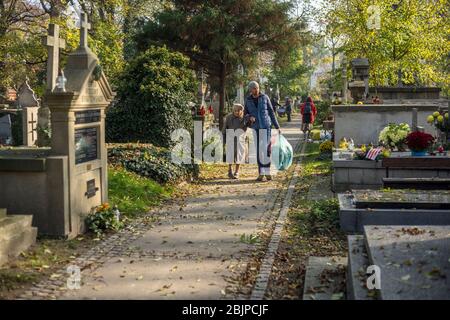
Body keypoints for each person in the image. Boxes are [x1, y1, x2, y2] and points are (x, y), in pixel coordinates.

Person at [244, 81, 280, 181]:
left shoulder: (265, 97)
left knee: (267, 149)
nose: (254, 90)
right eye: (252, 89)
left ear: (258, 88)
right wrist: (249, 117)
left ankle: (267, 172)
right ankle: (261, 173)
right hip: (256, 128)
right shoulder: (248, 100)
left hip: (266, 127)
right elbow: (245, 113)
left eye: (256, 88)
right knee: (259, 150)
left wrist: (277, 126)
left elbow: (271, 112)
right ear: (250, 90)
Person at [223, 104, 247, 179]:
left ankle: (237, 171)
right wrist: (223, 139)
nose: (237, 112)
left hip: (240, 138)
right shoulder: (229, 117)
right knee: (230, 154)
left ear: (241, 111)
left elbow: (248, 126)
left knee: (239, 154)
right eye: (235, 111)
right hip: (230, 137)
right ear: (233, 111)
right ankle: (229, 170)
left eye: (239, 111)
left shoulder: (244, 118)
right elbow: (224, 128)